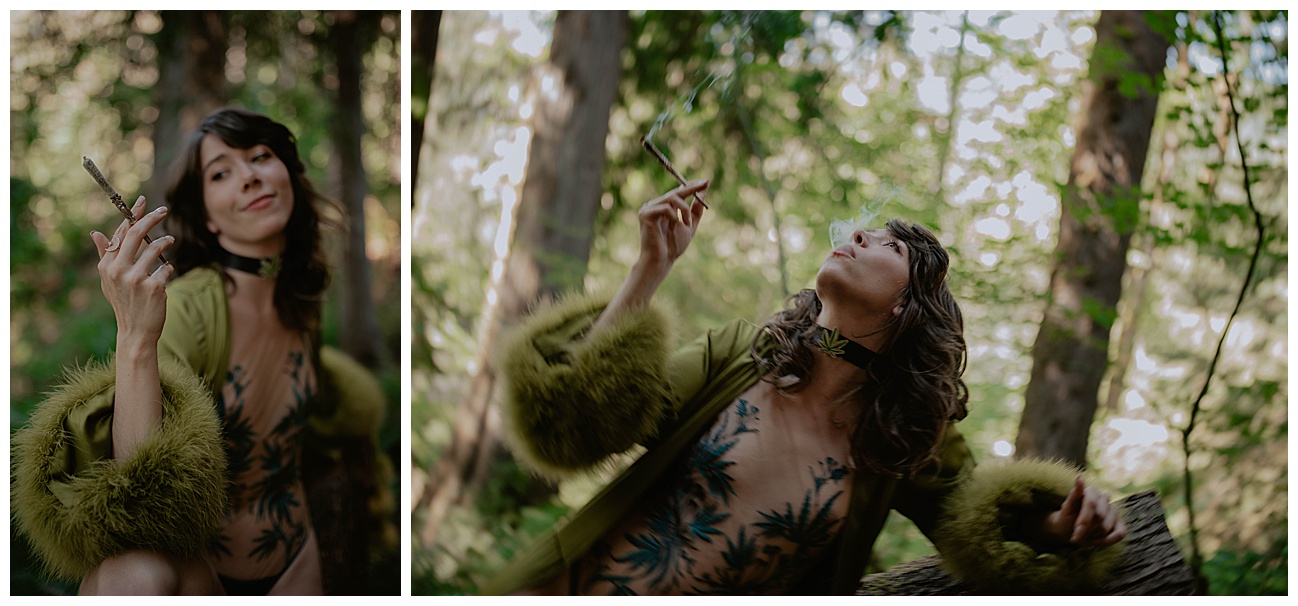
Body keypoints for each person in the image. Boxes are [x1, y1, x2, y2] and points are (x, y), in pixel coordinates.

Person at [483, 179, 1127, 595]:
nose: (854, 236)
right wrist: (649, 271)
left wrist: (1062, 526)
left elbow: (983, 534)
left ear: (909, 308)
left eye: (884, 245)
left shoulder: (903, 442)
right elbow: (575, 421)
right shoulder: (739, 354)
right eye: (859, 230)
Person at [11, 108, 394, 595]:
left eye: (260, 156)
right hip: (204, 574)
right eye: (221, 173)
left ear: (289, 178)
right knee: (129, 577)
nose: (250, 176)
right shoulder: (186, 310)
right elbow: (138, 490)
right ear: (207, 216)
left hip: (299, 561)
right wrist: (135, 337)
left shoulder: (303, 302)